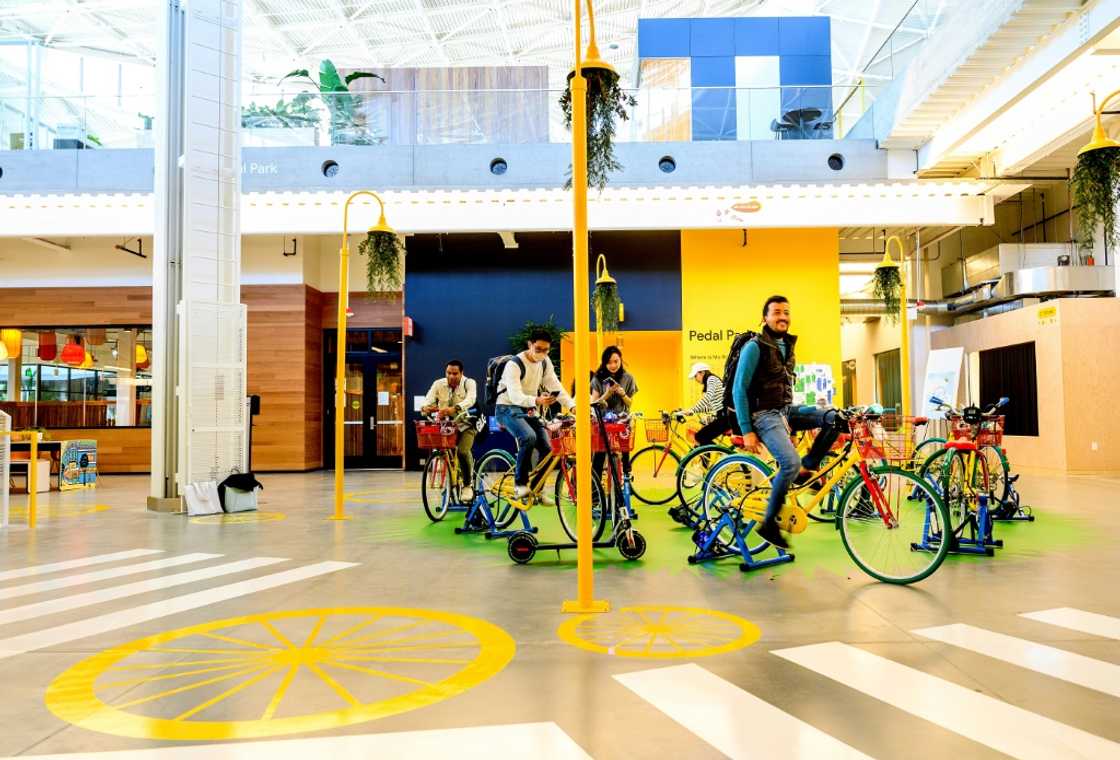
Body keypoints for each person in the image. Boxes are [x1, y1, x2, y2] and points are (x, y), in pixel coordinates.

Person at [732, 295, 845, 548]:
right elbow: (739, 389)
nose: (782, 317)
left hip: (785, 411)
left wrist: (791, 428)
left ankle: (809, 465)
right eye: (776, 312)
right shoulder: (755, 347)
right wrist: (746, 430)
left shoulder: (787, 346)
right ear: (765, 318)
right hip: (763, 415)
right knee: (789, 462)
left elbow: (787, 386)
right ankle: (769, 524)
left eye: (786, 312)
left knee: (835, 418)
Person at [494, 328, 575, 498]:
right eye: (538, 349)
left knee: (548, 448)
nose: (542, 353)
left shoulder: (545, 362)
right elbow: (515, 397)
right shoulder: (514, 364)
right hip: (506, 407)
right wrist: (537, 400)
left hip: (528, 408)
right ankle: (520, 484)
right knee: (528, 437)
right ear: (529, 344)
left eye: (546, 350)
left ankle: (537, 489)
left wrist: (572, 406)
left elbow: (555, 386)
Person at [421, 360, 479, 500]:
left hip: (466, 424)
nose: (451, 376)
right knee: (445, 453)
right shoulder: (438, 384)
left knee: (462, 452)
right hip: (447, 427)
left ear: (461, 373)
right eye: (448, 373)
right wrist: (426, 407)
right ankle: (451, 483)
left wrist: (455, 408)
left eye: (455, 373)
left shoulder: (469, 383)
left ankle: (467, 485)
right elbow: (428, 400)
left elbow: (471, 399)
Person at [590, 345, 638, 481]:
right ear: (604, 363)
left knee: (625, 452)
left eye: (616, 361)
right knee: (599, 455)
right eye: (609, 362)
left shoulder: (628, 378)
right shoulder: (597, 378)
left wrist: (623, 394)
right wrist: (607, 394)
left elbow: (629, 403)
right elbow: (594, 403)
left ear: (621, 360)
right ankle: (595, 488)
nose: (613, 365)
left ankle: (626, 480)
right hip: (603, 423)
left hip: (621, 422)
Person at [685, 362, 738, 445]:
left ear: (702, 372)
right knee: (701, 437)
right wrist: (692, 411)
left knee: (700, 436)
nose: (696, 379)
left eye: (695, 376)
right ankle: (713, 451)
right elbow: (710, 407)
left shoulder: (711, 379)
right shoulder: (711, 380)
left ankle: (717, 451)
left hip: (725, 417)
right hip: (723, 416)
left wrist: (693, 410)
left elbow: (708, 397)